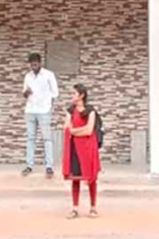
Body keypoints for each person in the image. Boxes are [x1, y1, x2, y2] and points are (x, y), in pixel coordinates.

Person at [63, 83, 101, 219]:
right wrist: (79, 131)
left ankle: (93, 207)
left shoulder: (91, 111)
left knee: (91, 178)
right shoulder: (70, 111)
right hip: (75, 148)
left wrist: (75, 131)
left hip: (88, 148)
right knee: (76, 179)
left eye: (74, 93)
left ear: (81, 95)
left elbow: (90, 130)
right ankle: (75, 208)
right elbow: (67, 128)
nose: (72, 96)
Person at [21, 53, 59, 178]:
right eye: (31, 65)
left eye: (35, 64)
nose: (33, 67)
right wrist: (27, 92)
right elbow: (24, 94)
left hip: (44, 111)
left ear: (40, 63)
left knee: (47, 139)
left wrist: (49, 106)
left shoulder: (49, 75)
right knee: (30, 139)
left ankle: (49, 167)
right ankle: (29, 166)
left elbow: (55, 93)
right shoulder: (28, 76)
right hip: (30, 110)